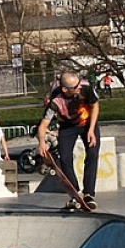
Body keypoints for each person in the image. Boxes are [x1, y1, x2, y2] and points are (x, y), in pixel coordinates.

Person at [37, 71, 101, 211]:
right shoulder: (55, 101)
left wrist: (91, 129)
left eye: (79, 84)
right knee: (65, 157)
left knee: (92, 154)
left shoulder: (86, 88)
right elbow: (43, 125)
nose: (79, 87)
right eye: (75, 87)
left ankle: (89, 193)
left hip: (87, 123)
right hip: (67, 126)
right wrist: (41, 143)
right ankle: (75, 192)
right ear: (65, 89)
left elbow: (95, 106)